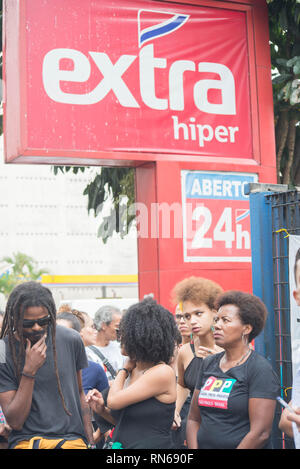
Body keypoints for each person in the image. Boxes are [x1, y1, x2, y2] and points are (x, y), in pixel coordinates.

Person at [0, 281, 95, 449]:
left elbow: (80, 393)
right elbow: (15, 421)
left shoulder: (71, 339)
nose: (37, 327)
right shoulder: (4, 349)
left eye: (43, 321)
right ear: (15, 319)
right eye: (28, 323)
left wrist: (91, 442)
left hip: (71, 441)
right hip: (27, 442)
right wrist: (29, 370)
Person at [186, 290, 280, 449]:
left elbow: (260, 433)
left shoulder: (259, 369)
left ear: (246, 328)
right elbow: (193, 419)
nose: (216, 325)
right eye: (216, 319)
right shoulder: (208, 363)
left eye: (225, 320)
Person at [86, 298, 178, 449]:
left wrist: (124, 370)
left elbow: (114, 400)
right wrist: (101, 410)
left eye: (125, 333)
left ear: (143, 337)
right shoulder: (134, 370)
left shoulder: (162, 372)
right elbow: (125, 423)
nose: (120, 338)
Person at [171, 277, 224, 442]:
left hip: (223, 431)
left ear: (214, 312)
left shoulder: (230, 349)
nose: (192, 321)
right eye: (187, 316)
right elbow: (182, 384)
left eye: (198, 313)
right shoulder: (185, 352)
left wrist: (218, 364)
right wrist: (175, 410)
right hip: (191, 432)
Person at [86, 305, 124, 381]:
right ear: (103, 325)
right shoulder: (87, 352)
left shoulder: (120, 348)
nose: (120, 330)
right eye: (117, 326)